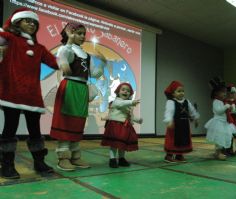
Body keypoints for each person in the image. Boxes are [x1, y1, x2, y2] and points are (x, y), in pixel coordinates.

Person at [0, 8, 58, 179]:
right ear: (17, 23)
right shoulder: (9, 38)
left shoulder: (39, 48)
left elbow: (55, 63)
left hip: (32, 95)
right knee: (10, 128)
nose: (32, 24)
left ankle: (39, 162)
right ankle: (7, 164)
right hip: (12, 92)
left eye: (34, 22)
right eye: (27, 21)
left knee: (35, 130)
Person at [50, 22, 104, 171]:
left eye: (83, 34)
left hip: (82, 89)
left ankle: (75, 156)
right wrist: (68, 41)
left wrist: (103, 63)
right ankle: (63, 157)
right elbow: (63, 64)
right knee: (66, 122)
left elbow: (94, 73)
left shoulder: (86, 55)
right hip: (70, 87)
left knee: (77, 122)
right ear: (68, 33)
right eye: (78, 33)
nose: (81, 36)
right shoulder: (65, 49)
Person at [101, 82, 143, 168]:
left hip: (124, 126)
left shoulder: (128, 105)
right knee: (114, 144)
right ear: (118, 92)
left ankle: (121, 159)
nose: (125, 92)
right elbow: (121, 104)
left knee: (122, 144)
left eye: (128, 91)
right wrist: (131, 102)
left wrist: (138, 120)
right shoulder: (116, 101)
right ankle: (112, 159)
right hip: (115, 125)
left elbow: (130, 116)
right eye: (123, 90)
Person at [163, 81, 199, 163]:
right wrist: (169, 121)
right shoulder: (171, 102)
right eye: (179, 91)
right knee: (173, 140)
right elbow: (169, 112)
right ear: (173, 93)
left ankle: (179, 155)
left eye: (183, 91)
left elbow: (192, 111)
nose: (181, 93)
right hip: (175, 125)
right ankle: (169, 156)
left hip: (184, 125)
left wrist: (195, 118)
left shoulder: (187, 102)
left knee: (183, 140)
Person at [205, 77, 236, 160]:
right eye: (223, 92)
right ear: (216, 93)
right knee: (219, 139)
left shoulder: (222, 102)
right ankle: (218, 153)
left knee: (223, 138)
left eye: (225, 92)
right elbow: (218, 111)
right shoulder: (216, 101)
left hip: (224, 122)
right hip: (218, 123)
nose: (225, 94)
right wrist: (226, 106)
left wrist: (231, 108)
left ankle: (219, 152)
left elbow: (226, 111)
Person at [224, 84, 236, 156]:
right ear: (228, 93)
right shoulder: (225, 101)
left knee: (232, 135)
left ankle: (230, 149)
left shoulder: (235, 101)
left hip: (233, 119)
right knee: (226, 134)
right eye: (232, 93)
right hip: (227, 119)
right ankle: (225, 149)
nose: (233, 94)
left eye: (234, 93)